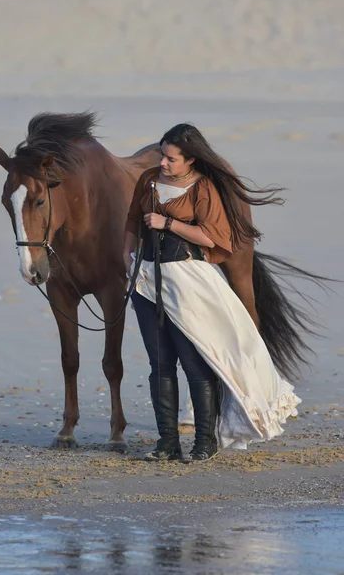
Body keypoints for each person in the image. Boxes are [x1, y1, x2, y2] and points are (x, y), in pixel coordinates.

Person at [123, 124, 301, 463]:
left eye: (172, 159)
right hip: (147, 279)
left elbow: (213, 238)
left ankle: (204, 442)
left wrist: (168, 224)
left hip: (187, 282)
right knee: (159, 364)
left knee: (194, 362)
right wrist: (127, 258)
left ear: (190, 160)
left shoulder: (204, 188)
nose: (164, 163)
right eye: (163, 155)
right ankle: (167, 443)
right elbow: (132, 221)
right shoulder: (148, 179)